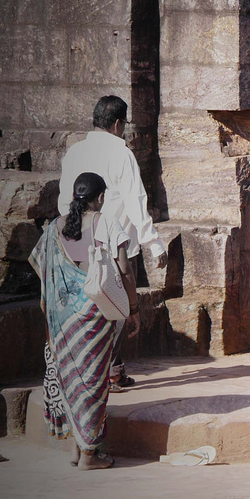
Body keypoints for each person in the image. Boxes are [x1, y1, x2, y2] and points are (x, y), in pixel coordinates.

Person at [30, 172, 138, 470]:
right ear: (100, 197)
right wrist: (135, 306)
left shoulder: (54, 227)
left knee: (71, 379)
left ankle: (76, 451)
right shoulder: (106, 222)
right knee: (92, 381)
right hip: (96, 312)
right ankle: (89, 455)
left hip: (63, 318)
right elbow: (125, 270)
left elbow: (42, 266)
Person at [58, 95, 164, 390]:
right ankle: (112, 373)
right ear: (118, 124)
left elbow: (63, 200)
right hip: (113, 243)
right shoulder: (121, 154)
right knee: (115, 311)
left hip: (77, 243)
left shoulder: (75, 152)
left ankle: (93, 371)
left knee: (86, 308)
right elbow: (135, 201)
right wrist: (153, 243)